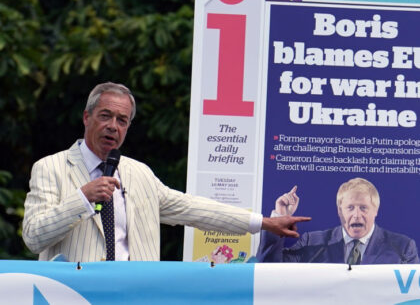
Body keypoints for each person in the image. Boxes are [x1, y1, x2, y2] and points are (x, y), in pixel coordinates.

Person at [22, 82, 311, 262]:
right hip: (75, 295)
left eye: (122, 120)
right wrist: (82, 198)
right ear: (87, 117)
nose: (113, 126)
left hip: (133, 295)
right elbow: (33, 236)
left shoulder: (139, 174)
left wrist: (263, 222)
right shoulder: (51, 168)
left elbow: (195, 209)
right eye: (105, 116)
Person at [257, 177, 419, 264]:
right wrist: (280, 218)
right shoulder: (312, 243)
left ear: (375, 210)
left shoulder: (403, 248)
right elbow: (267, 269)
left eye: (363, 208)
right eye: (350, 208)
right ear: (339, 211)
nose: (356, 215)